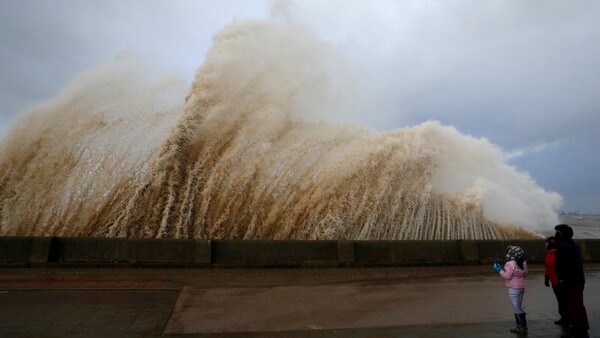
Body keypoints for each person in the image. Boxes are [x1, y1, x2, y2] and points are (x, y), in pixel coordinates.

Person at [554, 224, 589, 338]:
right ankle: (583, 327)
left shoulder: (563, 248)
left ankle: (578, 330)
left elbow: (562, 268)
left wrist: (562, 282)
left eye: (558, 233)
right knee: (579, 305)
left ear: (561, 234)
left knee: (573, 306)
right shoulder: (573, 245)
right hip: (578, 281)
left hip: (570, 283)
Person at [493, 245, 528, 334]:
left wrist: (499, 270)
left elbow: (507, 276)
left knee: (516, 307)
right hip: (521, 287)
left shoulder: (510, 264)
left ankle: (520, 327)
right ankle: (524, 326)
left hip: (513, 288)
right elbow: (525, 274)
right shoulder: (523, 262)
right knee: (519, 306)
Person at [544, 236, 570, 325]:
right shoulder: (549, 253)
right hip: (554, 282)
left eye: (546, 243)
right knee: (560, 300)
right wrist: (546, 277)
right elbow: (548, 267)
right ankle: (564, 317)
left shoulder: (558, 254)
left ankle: (567, 319)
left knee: (563, 301)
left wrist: (561, 281)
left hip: (559, 282)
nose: (545, 244)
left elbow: (562, 269)